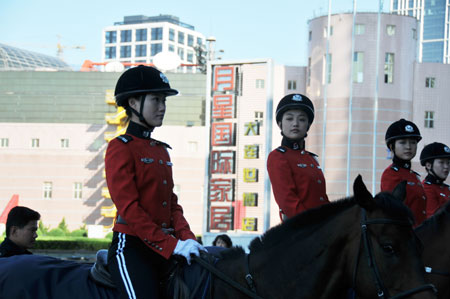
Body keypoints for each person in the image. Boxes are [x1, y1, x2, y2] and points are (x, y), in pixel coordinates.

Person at [105, 65, 205, 299]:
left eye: (164, 101)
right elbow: (130, 209)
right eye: (156, 100)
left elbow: (171, 205)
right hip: (132, 248)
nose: (162, 108)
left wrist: (188, 239)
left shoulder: (161, 151)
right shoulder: (120, 147)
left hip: (165, 246)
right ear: (133, 103)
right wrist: (172, 245)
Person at [267, 93, 329, 221]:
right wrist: (313, 225)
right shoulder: (278, 157)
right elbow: (287, 201)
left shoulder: (311, 159)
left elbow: (321, 198)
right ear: (280, 124)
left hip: (322, 228)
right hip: (301, 230)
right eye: (289, 119)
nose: (295, 124)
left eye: (301, 119)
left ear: (308, 125)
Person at [381, 119, 427, 225]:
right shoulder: (391, 174)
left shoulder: (413, 175)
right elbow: (394, 213)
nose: (408, 147)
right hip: (406, 236)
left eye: (413, 142)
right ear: (392, 146)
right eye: (402, 142)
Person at [419, 142, 450, 218]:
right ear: (429, 165)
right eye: (441, 162)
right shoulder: (426, 189)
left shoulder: (446, 188)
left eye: (448, 163)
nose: (446, 167)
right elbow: (435, 220)